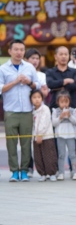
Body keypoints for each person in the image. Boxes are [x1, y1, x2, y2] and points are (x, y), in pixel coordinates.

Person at [0, 39, 39, 182]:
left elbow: (38, 86)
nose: (19, 52)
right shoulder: (3, 69)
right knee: (11, 143)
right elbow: (1, 89)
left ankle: (24, 171)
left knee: (26, 143)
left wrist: (28, 82)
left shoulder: (29, 67)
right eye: (16, 49)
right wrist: (15, 81)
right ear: (10, 51)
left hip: (27, 111)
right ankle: (14, 171)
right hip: (10, 111)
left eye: (21, 50)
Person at [52, 91, 76, 180]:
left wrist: (70, 116)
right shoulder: (55, 111)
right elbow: (54, 123)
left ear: (69, 101)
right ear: (58, 102)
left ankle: (75, 172)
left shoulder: (73, 110)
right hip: (60, 135)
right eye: (62, 102)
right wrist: (60, 117)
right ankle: (61, 173)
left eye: (66, 101)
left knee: (72, 154)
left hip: (71, 134)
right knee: (61, 155)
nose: (64, 104)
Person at [31, 89, 58, 182]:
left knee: (49, 156)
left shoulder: (45, 109)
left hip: (46, 137)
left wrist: (40, 135)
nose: (37, 99)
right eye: (34, 97)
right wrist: (35, 136)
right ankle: (42, 173)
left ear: (42, 98)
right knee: (38, 156)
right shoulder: (32, 111)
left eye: (39, 97)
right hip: (35, 138)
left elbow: (44, 123)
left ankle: (52, 173)